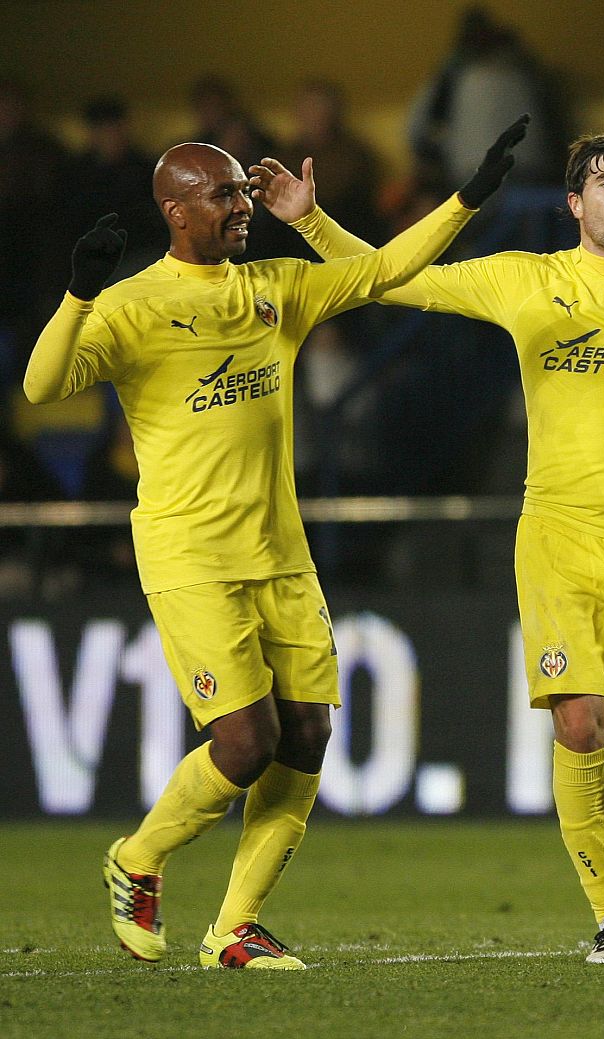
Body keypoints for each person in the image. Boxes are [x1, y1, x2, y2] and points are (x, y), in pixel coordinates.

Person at [253, 130, 604, 964]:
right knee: (581, 726)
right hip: (559, 541)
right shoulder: (527, 279)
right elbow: (398, 280)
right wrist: (313, 220)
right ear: (574, 203)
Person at [23, 119, 528, 968]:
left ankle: (234, 927)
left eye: (244, 190)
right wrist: (78, 295)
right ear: (177, 211)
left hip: (282, 556)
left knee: (307, 737)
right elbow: (40, 386)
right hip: (191, 557)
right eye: (224, 193)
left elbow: (381, 271)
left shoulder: (275, 288)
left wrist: (467, 199)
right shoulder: (132, 307)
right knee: (245, 745)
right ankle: (138, 857)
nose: (243, 204)